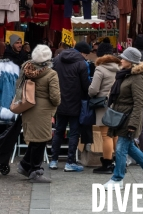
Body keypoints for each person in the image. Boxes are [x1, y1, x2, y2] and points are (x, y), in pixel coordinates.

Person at [103, 47, 143, 191]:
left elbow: (139, 103)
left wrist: (134, 124)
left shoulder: (138, 77)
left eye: (123, 58)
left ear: (130, 61)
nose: (121, 60)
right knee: (128, 146)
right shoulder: (126, 75)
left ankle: (117, 179)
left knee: (121, 148)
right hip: (122, 115)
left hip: (129, 117)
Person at [17, 45, 61, 183]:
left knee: (35, 139)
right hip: (42, 110)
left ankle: (25, 164)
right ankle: (35, 170)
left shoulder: (25, 68)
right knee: (40, 140)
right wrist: (57, 104)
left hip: (27, 106)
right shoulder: (50, 74)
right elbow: (55, 97)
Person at [49, 42, 90, 172]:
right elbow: (86, 85)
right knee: (74, 132)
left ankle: (53, 160)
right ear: (82, 52)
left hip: (59, 101)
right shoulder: (82, 64)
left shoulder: (57, 59)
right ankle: (70, 162)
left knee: (59, 130)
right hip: (75, 102)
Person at [88, 48, 120, 174]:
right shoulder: (119, 69)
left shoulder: (100, 69)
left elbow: (94, 89)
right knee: (115, 135)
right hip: (117, 104)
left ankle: (107, 163)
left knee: (105, 135)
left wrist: (90, 92)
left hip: (103, 104)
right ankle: (119, 162)